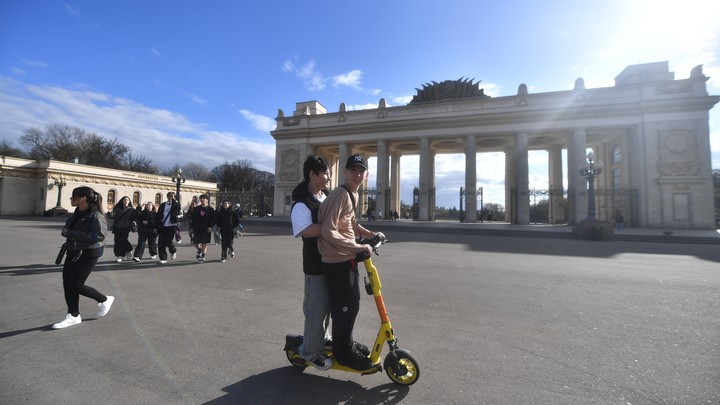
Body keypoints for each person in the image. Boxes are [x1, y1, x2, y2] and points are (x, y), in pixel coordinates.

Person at [318, 154, 385, 371]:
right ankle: (344, 353)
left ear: (366, 175)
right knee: (346, 307)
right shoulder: (341, 194)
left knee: (350, 304)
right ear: (345, 172)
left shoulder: (351, 194)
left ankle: (345, 344)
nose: (357, 174)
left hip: (345, 256)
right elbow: (328, 230)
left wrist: (370, 233)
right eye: (353, 170)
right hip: (336, 260)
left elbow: (350, 222)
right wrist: (359, 247)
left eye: (361, 171)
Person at [290, 155, 333, 370]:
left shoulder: (325, 196)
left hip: (333, 261)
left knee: (327, 307)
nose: (329, 177)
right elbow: (306, 231)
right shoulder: (301, 203)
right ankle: (309, 352)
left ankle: (321, 340)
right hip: (315, 265)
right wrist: (334, 229)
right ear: (312, 174)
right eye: (325, 173)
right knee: (316, 310)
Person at [52, 186, 114, 329]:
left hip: (88, 253)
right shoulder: (78, 212)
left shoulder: (95, 215)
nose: (71, 199)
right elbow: (69, 228)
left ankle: (104, 299)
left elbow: (99, 236)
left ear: (83, 198)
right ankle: (73, 315)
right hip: (73, 250)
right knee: (67, 284)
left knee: (76, 285)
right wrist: (67, 231)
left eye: (74, 197)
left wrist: (71, 233)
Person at [156, 191, 182, 264]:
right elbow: (159, 215)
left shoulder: (175, 205)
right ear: (167, 197)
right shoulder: (163, 205)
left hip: (172, 225)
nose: (171, 197)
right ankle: (163, 258)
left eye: (173, 196)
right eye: (170, 196)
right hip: (163, 225)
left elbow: (178, 208)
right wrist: (157, 225)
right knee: (161, 242)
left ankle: (173, 251)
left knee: (168, 241)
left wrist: (174, 201)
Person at [190, 194, 215, 262]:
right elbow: (193, 218)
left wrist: (210, 226)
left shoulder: (210, 209)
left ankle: (203, 255)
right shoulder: (197, 208)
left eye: (203, 198)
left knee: (204, 242)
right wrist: (191, 227)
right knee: (195, 243)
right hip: (197, 228)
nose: (202, 200)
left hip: (206, 228)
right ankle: (200, 250)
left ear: (206, 199)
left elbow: (212, 219)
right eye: (201, 198)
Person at [110, 196, 135, 262]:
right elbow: (112, 216)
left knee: (123, 239)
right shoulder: (117, 209)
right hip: (117, 227)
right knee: (117, 241)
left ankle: (129, 250)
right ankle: (120, 256)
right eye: (124, 200)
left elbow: (135, 218)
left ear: (129, 201)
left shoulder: (131, 210)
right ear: (122, 201)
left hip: (126, 227)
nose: (126, 201)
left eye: (127, 200)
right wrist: (109, 213)